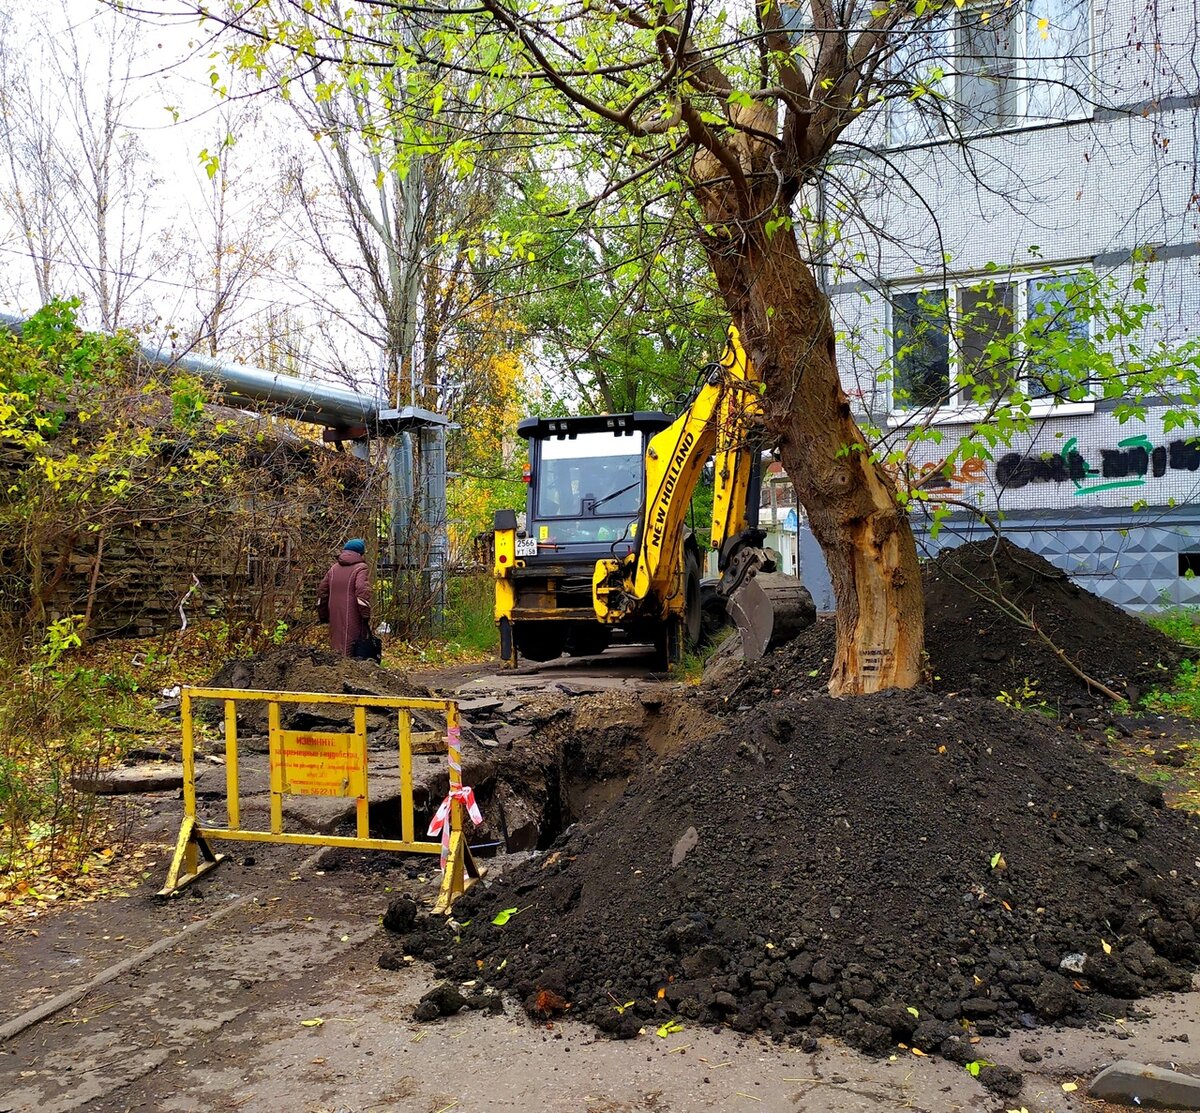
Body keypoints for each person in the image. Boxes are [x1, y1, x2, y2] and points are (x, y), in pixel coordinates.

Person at [317, 539, 377, 659]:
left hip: (334, 612)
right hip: (353, 612)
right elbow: (362, 590)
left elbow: (322, 592)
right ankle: (349, 671)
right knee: (352, 645)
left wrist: (323, 615)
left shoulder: (333, 569)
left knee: (337, 643)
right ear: (360, 553)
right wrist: (365, 614)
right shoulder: (361, 568)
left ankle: (337, 670)